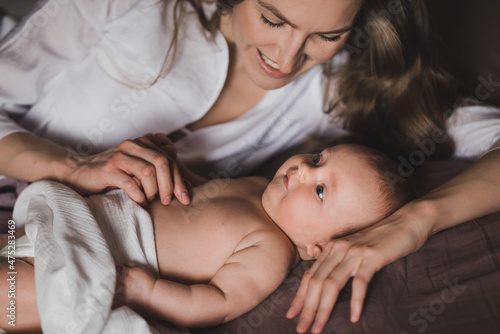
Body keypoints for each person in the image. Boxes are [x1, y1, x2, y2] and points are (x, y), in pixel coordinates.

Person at [1, 0, 500, 333]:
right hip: (44, 205)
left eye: (327, 34)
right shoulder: (135, 10)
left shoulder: (341, 91)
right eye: (272, 19)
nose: (285, 59)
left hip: (82, 242)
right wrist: (68, 164)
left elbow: (215, 299)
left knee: (23, 294)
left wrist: (417, 222)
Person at [0, 143, 411, 332]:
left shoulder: (270, 250)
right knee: (10, 253)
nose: (304, 170)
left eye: (320, 190)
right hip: (84, 221)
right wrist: (175, 168)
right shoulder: (257, 186)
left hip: (102, 263)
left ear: (319, 247)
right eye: (319, 159)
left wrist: (149, 291)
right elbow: (199, 194)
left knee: (15, 295)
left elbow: (215, 304)